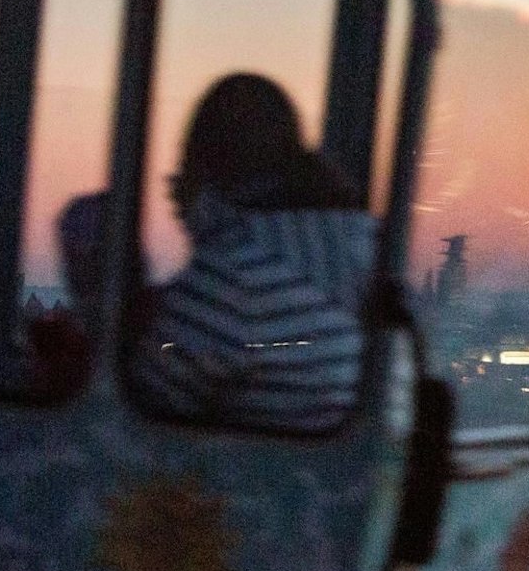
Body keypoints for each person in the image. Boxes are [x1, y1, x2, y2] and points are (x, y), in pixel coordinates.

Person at [131, 73, 374, 432]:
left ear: (207, 174)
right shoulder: (366, 246)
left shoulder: (233, 276)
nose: (176, 196)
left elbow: (139, 414)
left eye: (183, 176)